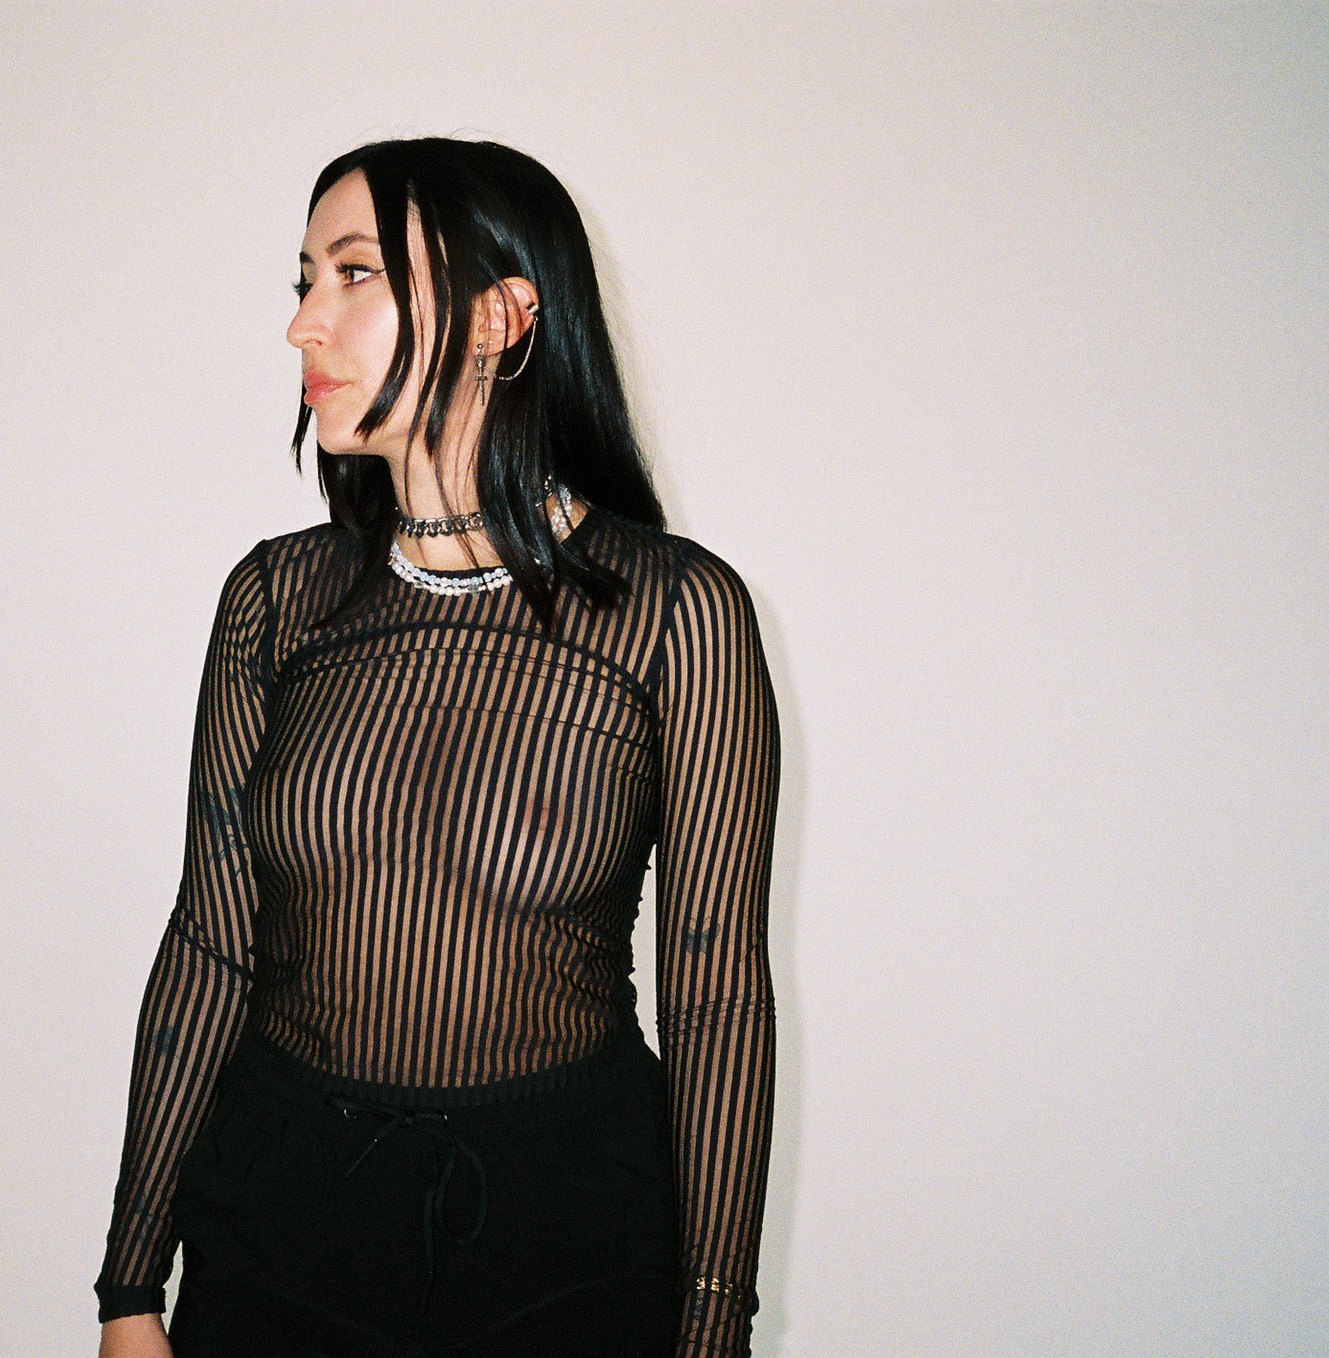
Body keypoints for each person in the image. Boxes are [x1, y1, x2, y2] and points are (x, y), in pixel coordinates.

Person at [95, 136, 782, 1358]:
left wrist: (712, 1320)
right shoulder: (277, 601)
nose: (302, 323)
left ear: (499, 318)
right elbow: (210, 939)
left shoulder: (676, 613)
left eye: (353, 273)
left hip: (567, 1236)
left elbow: (715, 985)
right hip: (278, 1220)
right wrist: (130, 1284)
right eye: (304, 279)